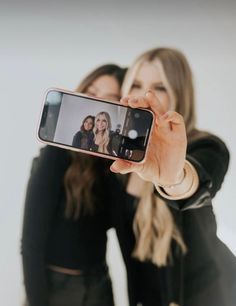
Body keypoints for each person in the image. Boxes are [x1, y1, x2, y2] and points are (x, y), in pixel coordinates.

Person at [108, 47, 236, 306]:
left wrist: (173, 176)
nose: (144, 96)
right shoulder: (119, 163)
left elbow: (194, 183)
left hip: (208, 295)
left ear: (179, 93)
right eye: (136, 84)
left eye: (159, 87)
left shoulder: (208, 146)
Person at [21, 64, 127, 306]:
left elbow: (124, 231)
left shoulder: (115, 166)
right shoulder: (57, 153)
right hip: (57, 288)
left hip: (99, 285)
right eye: (91, 92)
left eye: (109, 99)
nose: (97, 103)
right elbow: (30, 243)